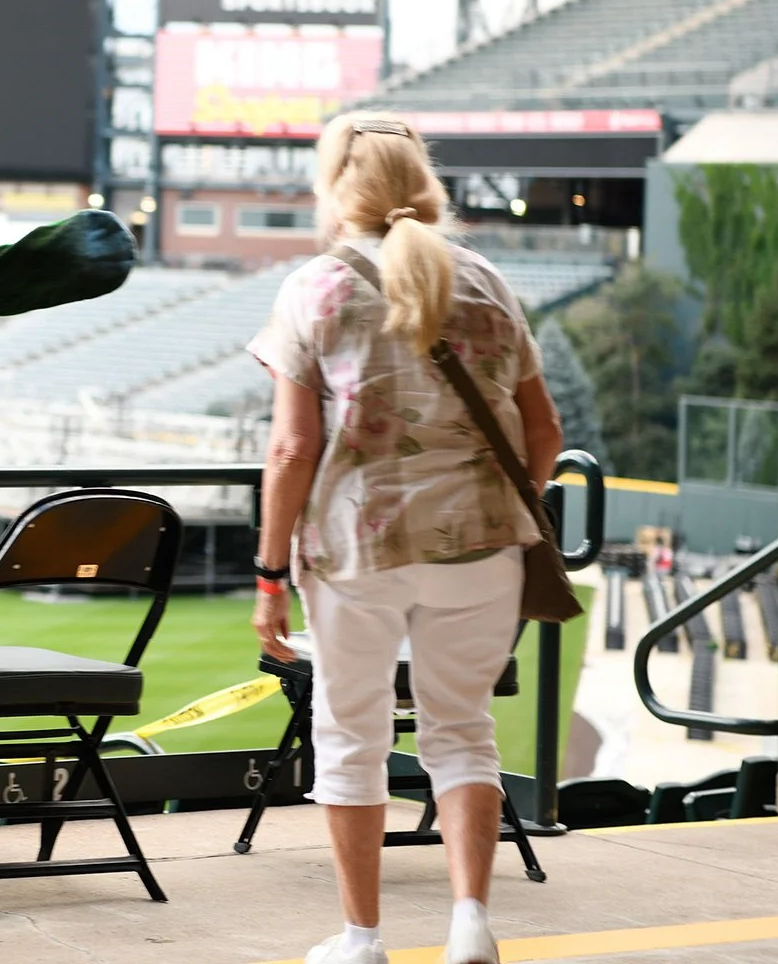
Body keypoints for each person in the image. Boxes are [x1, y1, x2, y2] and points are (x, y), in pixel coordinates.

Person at [247, 113, 562, 964]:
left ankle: (361, 939)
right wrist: (501, 502)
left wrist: (268, 575)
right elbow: (544, 430)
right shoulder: (489, 282)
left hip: (356, 553)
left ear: (336, 191)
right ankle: (470, 924)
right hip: (483, 547)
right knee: (461, 731)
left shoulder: (313, 289)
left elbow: (289, 449)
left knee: (351, 737)